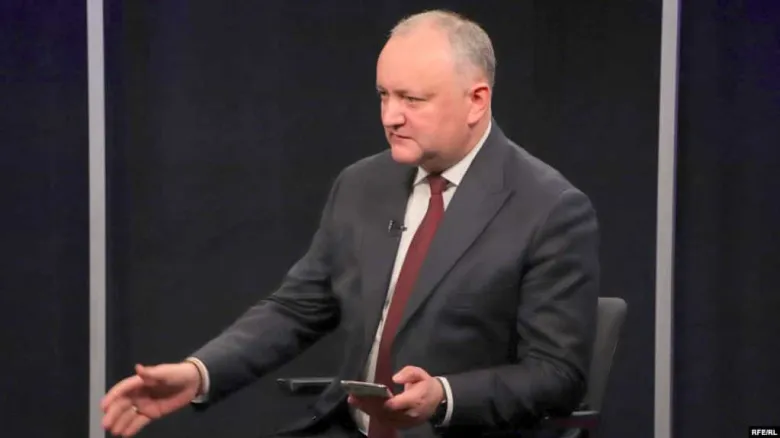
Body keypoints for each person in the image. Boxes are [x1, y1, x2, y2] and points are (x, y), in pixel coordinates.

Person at [101, 9, 599, 438]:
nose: (391, 116)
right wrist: (199, 373)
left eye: (412, 99)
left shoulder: (548, 209)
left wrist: (444, 396)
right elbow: (296, 309)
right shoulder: (363, 184)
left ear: (477, 100)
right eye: (383, 95)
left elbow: (556, 373)